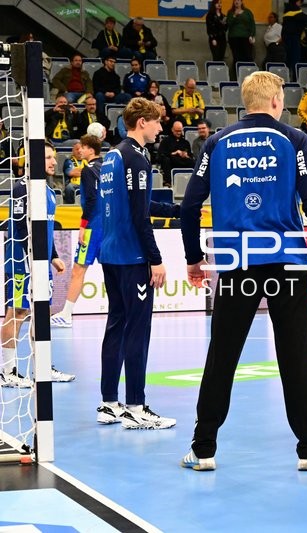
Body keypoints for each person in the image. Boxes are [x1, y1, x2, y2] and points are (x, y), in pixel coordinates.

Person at [179, 70, 307, 472]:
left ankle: (203, 450)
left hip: (236, 265)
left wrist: (193, 258)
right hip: (287, 263)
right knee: (297, 359)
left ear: (245, 102)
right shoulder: (295, 139)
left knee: (222, 357)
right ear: (275, 102)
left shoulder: (216, 142)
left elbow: (188, 207)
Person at [96, 97, 180, 429]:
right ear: (142, 122)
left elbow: (136, 205)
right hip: (132, 257)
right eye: (157, 121)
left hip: (110, 254)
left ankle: (108, 403)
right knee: (138, 329)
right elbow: (139, 216)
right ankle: (136, 406)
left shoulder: (112, 156)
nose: (161, 127)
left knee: (116, 324)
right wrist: (155, 259)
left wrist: (177, 211)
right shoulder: (137, 159)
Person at [1, 141, 73, 387]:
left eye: (53, 157)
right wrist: (33, 260)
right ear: (32, 161)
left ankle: (43, 367)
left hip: (41, 262)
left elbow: (46, 229)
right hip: (21, 261)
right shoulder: (22, 188)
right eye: (47, 158)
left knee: (42, 312)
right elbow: (21, 227)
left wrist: (52, 256)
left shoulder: (49, 191)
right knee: (17, 313)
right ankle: (8, 371)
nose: (53, 162)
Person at [51, 135, 104, 328]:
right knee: (112, 270)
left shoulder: (88, 170)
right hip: (107, 226)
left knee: (78, 270)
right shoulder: (106, 167)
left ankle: (65, 314)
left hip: (92, 227)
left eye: (82, 147)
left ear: (91, 150)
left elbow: (90, 200)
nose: (79, 150)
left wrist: (83, 226)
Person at [282, 0, 307, 80]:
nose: (301, 4)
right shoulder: (295, 11)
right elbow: (306, 18)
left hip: (287, 39)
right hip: (294, 39)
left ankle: (287, 78)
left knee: (289, 60)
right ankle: (295, 79)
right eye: (300, 2)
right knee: (295, 60)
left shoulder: (286, 12)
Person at [158, 121, 195, 185]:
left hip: (182, 161)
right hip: (171, 161)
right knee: (166, 160)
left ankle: (191, 181)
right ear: (172, 130)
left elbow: (190, 155)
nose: (178, 133)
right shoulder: (165, 141)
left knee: (192, 162)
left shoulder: (185, 142)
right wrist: (174, 153)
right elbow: (161, 154)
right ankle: (169, 182)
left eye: (180, 131)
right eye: (176, 131)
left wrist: (186, 155)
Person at [227, 0, 256, 71]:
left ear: (241, 2)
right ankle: (236, 76)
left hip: (246, 37)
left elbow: (252, 24)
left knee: (248, 57)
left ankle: (248, 74)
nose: (237, 2)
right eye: (235, 0)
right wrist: (234, 16)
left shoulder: (248, 12)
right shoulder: (230, 12)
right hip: (234, 37)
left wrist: (252, 35)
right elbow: (228, 24)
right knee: (237, 57)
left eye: (238, 0)